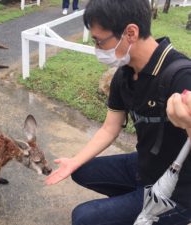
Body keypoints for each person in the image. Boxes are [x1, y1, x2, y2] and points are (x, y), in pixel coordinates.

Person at [45, 0, 191, 224]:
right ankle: (132, 209)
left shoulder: (181, 76)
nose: (97, 50)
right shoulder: (124, 76)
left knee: (84, 218)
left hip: (175, 191)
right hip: (145, 166)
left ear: (130, 33)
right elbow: (109, 128)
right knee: (81, 170)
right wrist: (73, 161)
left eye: (99, 41)